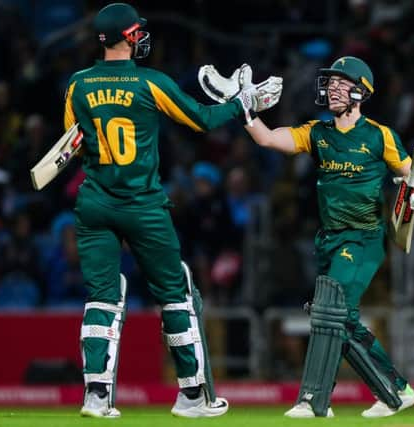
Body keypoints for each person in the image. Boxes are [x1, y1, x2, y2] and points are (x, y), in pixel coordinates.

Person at [62, 2, 281, 418]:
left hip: (94, 202)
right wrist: (243, 102)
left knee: (102, 299)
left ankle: (95, 394)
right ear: (126, 37)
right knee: (175, 297)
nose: (142, 37)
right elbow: (201, 119)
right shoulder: (149, 83)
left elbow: (71, 142)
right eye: (137, 32)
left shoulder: (78, 85)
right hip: (143, 205)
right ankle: (193, 397)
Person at [200, 56, 414, 418]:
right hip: (329, 240)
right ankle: (396, 390)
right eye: (331, 82)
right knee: (343, 321)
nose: (331, 89)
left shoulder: (380, 135)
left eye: (340, 83)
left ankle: (313, 400)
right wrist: (244, 109)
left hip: (364, 238)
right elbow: (268, 139)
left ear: (361, 91)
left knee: (328, 312)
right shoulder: (317, 132)